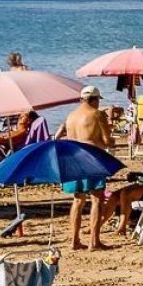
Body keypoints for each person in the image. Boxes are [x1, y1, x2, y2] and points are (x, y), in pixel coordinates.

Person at [57, 85, 114, 250]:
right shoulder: (97, 114)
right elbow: (105, 141)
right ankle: (94, 242)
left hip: (73, 158)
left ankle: (74, 241)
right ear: (95, 100)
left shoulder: (70, 116)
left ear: (81, 99)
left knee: (78, 199)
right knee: (96, 199)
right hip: (91, 158)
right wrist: (112, 137)